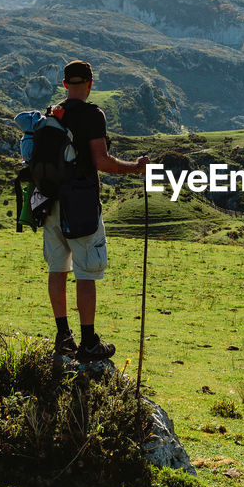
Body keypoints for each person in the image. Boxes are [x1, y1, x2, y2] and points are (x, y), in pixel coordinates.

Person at [45, 60, 149, 363]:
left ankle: (63, 336)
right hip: (80, 204)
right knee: (86, 271)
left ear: (65, 84)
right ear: (90, 84)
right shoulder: (92, 115)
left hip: (50, 202)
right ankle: (89, 341)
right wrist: (136, 168)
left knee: (57, 268)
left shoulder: (52, 114)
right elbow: (102, 161)